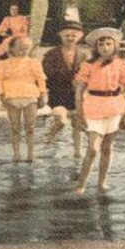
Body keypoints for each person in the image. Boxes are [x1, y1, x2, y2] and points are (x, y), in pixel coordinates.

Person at [73, 28, 125, 194]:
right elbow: (79, 92)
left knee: (107, 147)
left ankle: (102, 182)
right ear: (96, 47)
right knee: (93, 148)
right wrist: (79, 114)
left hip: (115, 107)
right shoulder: (88, 65)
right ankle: (82, 184)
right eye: (101, 44)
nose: (105, 48)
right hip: (93, 106)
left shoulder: (122, 65)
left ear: (115, 46)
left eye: (109, 44)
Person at [0, 35, 47, 163]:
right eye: (21, 48)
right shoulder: (2, 64)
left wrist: (42, 94)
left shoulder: (33, 62)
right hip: (11, 97)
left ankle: (30, 155)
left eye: (27, 48)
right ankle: (16, 154)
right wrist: (1, 95)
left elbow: (41, 79)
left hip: (30, 96)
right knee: (15, 127)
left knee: (31, 127)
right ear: (12, 48)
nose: (24, 51)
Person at [41, 20, 89, 156]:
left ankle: (77, 153)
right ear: (61, 36)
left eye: (73, 36)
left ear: (79, 37)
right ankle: (49, 139)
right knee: (61, 121)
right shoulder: (51, 54)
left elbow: (87, 74)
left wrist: (81, 82)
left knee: (77, 124)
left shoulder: (83, 55)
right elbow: (44, 74)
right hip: (58, 92)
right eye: (67, 35)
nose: (70, 38)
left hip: (76, 93)